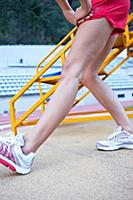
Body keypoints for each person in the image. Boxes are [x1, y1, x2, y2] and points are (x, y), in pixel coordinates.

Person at [0, 0, 132, 175]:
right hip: (117, 4)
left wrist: (81, 8)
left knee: (71, 71)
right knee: (88, 74)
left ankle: (25, 150)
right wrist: (68, 9)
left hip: (104, 3)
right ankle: (127, 130)